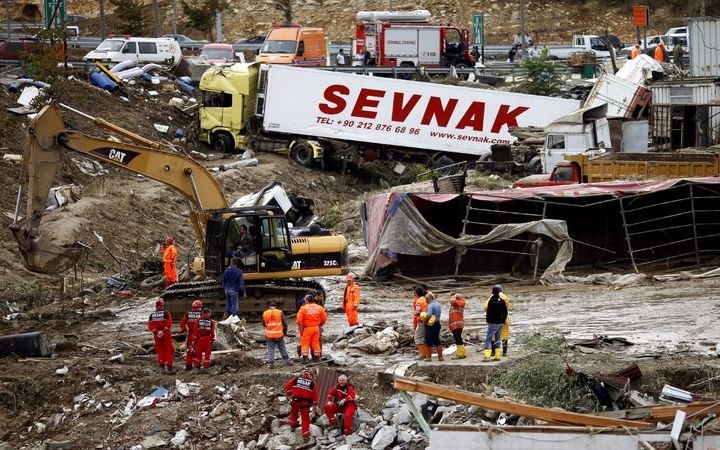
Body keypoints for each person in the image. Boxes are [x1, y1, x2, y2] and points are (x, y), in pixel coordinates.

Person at [285, 368, 319, 440]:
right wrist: (315, 405)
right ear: (312, 374)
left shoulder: (296, 379)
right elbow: (315, 395)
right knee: (305, 418)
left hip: (295, 401)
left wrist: (290, 394)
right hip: (305, 403)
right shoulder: (312, 383)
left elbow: (287, 386)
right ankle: (305, 434)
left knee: (293, 414)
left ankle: (292, 426)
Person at [297, 293, 327, 362]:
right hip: (316, 328)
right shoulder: (319, 308)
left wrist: (301, 330)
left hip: (307, 328)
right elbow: (324, 318)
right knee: (315, 343)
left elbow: (299, 321)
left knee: (305, 343)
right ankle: (316, 358)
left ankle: (305, 358)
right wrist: (319, 325)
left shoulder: (303, 308)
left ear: (307, 300)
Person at [147, 298, 174, 373]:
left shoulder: (152, 315)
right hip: (166, 335)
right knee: (168, 350)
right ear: (163, 305)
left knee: (160, 351)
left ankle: (162, 367)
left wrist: (156, 332)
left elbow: (150, 326)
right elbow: (169, 324)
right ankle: (169, 368)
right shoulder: (166, 314)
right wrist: (163, 331)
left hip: (157, 336)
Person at [484, 285, 511, 356]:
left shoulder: (491, 297)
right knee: (504, 335)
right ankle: (504, 352)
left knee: (492, 336)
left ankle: (492, 353)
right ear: (501, 290)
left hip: (493, 320)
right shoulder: (505, 297)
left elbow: (486, 307)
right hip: (504, 319)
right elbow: (506, 308)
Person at [263, 301, 291, 368]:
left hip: (269, 335)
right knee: (282, 348)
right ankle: (287, 361)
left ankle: (271, 364)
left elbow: (264, 324)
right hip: (279, 335)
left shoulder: (265, 313)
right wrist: (284, 333)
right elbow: (285, 324)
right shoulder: (279, 312)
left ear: (269, 307)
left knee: (270, 349)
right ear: (275, 306)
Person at [179, 299, 202, 370]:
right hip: (199, 335)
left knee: (189, 350)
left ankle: (188, 365)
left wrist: (185, 331)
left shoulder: (188, 314)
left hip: (190, 335)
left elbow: (182, 323)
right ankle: (197, 365)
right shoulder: (201, 314)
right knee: (198, 350)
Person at [424, 292, 443, 361]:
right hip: (437, 323)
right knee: (437, 340)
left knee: (428, 340)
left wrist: (425, 322)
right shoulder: (437, 304)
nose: (425, 300)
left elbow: (429, 315)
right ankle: (440, 357)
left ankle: (428, 357)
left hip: (431, 324)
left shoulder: (430, 305)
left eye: (426, 299)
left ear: (430, 298)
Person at [412, 286, 429, 360]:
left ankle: (423, 354)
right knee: (424, 337)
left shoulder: (419, 301)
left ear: (416, 293)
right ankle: (426, 353)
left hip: (421, 320)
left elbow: (417, 313)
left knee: (418, 337)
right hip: (427, 319)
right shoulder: (425, 299)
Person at [448, 293, 466, 360]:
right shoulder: (460, 302)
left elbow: (453, 301)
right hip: (458, 324)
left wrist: (454, 296)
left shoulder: (457, 303)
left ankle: (460, 354)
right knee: (459, 338)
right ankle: (462, 352)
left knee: (458, 339)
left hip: (457, 325)